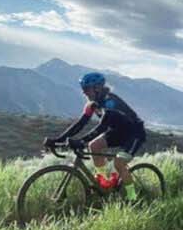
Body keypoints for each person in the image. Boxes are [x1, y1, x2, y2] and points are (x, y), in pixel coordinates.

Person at [46, 72, 147, 202]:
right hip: (118, 131)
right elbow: (80, 124)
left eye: (86, 89)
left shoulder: (110, 102)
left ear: (97, 88)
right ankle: (104, 182)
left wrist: (81, 141)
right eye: (83, 89)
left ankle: (132, 198)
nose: (84, 93)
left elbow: (102, 127)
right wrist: (58, 140)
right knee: (94, 145)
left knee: (119, 163)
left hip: (134, 133)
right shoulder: (92, 104)